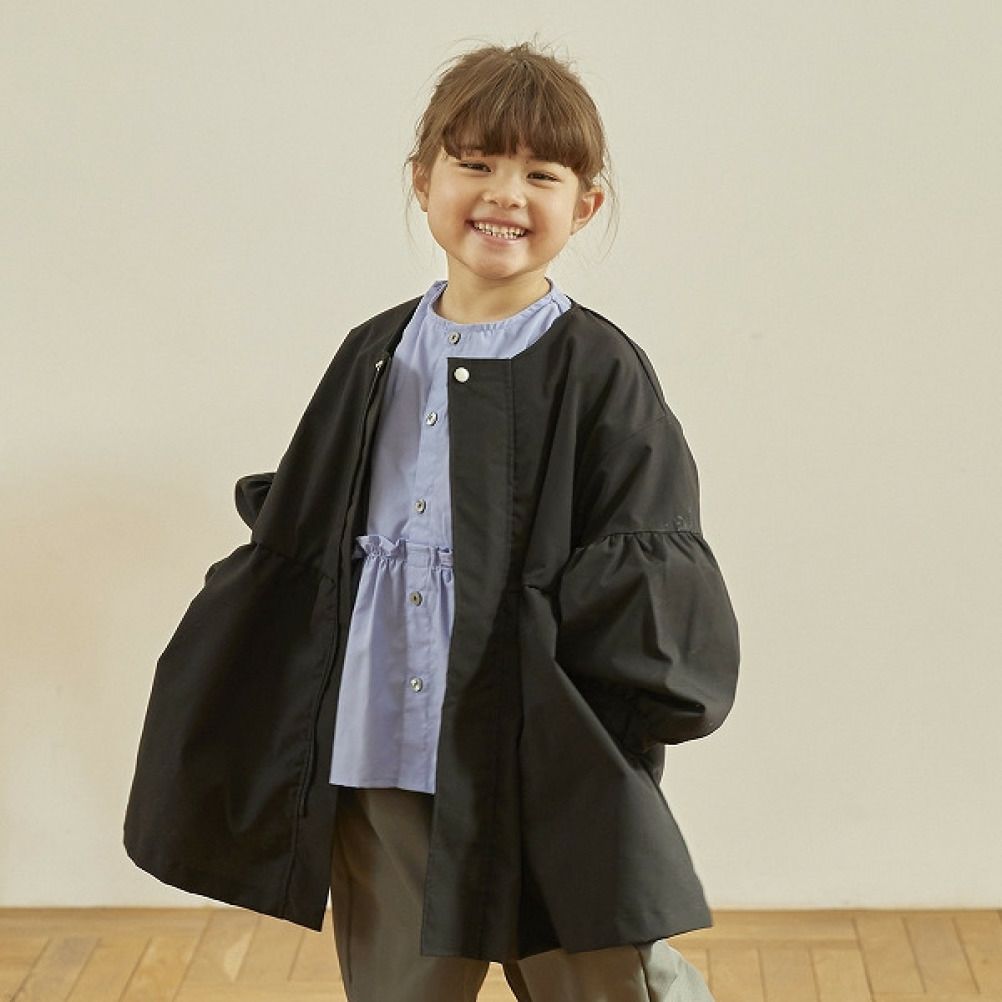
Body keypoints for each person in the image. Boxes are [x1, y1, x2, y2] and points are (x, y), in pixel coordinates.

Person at [123, 39, 740, 1002]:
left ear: (585, 205)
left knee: (602, 976)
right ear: (423, 181)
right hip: (384, 739)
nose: (505, 194)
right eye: (476, 163)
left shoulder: (598, 371)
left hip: (536, 753)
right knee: (399, 986)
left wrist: (609, 722)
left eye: (541, 174)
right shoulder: (373, 354)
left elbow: (643, 564)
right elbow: (305, 533)